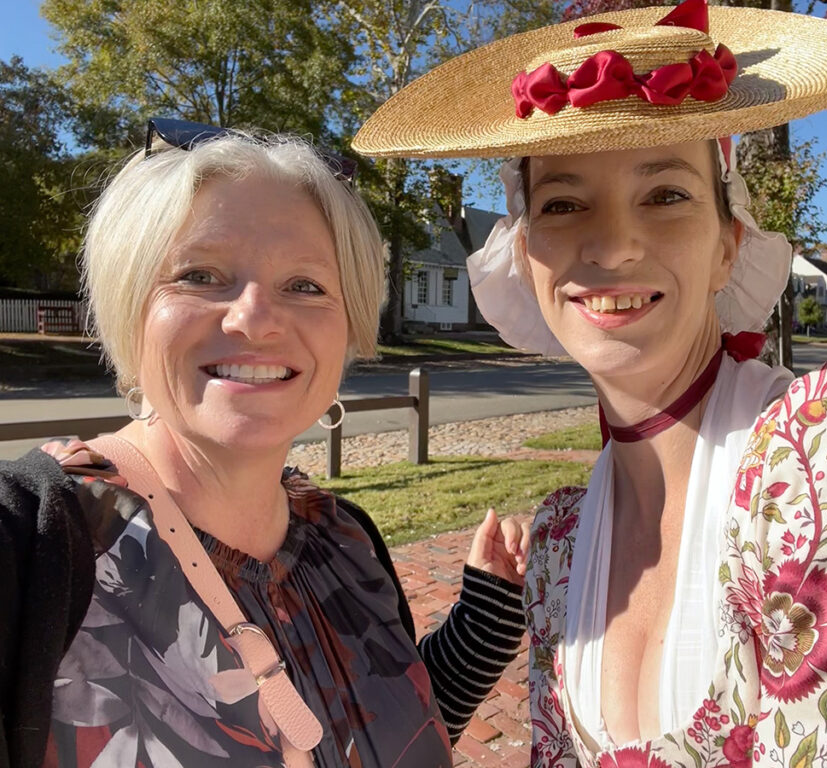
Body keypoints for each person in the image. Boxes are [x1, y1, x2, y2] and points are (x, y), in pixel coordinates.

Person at [352, 2, 827, 766]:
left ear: (729, 248)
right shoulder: (559, 547)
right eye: (564, 203)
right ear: (523, 253)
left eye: (665, 194)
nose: (611, 244)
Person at [0, 120, 531, 768]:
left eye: (305, 285)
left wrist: (485, 619)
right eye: (200, 274)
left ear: (348, 328)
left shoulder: (346, 542)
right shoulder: (34, 546)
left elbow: (388, 737)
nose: (254, 316)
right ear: (129, 302)